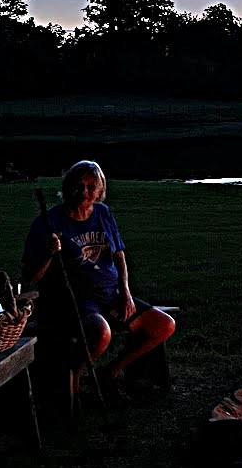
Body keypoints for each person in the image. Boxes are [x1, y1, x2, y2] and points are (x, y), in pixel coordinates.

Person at [22, 160, 175, 399]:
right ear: (68, 187)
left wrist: (125, 292)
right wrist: (49, 253)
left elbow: (119, 256)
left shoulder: (103, 213)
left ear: (100, 189)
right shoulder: (49, 223)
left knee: (164, 325)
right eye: (79, 185)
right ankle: (74, 377)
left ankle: (111, 372)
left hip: (112, 295)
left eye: (91, 186)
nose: (85, 192)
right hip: (77, 302)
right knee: (102, 334)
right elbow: (31, 277)